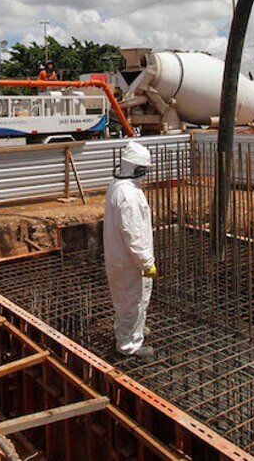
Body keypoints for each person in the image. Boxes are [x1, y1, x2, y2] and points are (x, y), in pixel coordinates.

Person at [103, 142, 157, 359]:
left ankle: (134, 331)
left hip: (119, 258)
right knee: (133, 302)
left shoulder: (118, 187)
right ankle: (129, 346)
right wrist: (145, 262)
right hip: (130, 262)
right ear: (138, 169)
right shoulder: (129, 196)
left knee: (126, 300)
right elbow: (133, 235)